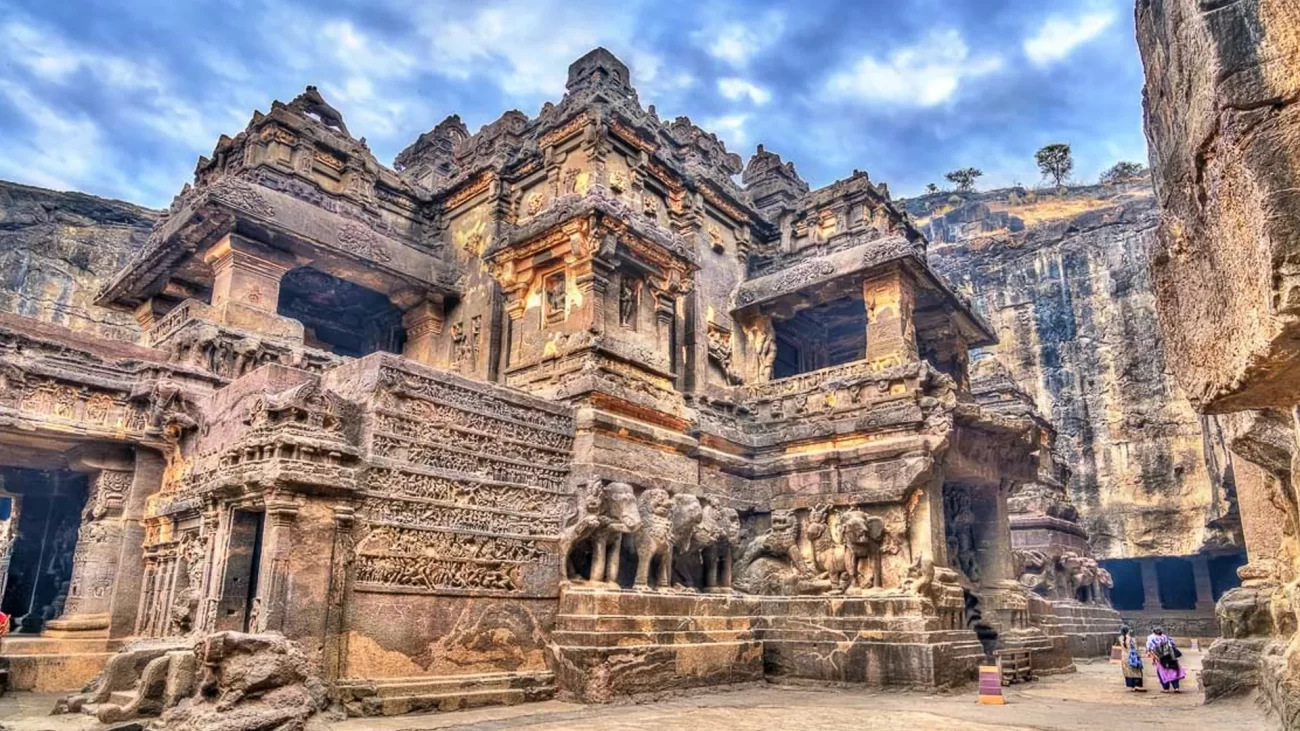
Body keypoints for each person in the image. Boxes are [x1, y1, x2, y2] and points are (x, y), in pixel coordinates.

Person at [1146, 625, 1186, 692]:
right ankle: (1176, 687)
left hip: (1160, 658)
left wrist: (1154, 658)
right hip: (1170, 657)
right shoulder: (1166, 637)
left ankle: (1166, 688)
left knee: (1162, 673)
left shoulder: (1151, 638)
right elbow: (1173, 645)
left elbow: (1150, 650)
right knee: (1173, 671)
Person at [1118, 625, 1146, 692]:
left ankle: (1132, 686)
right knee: (1135, 671)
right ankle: (1137, 685)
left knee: (1128, 671)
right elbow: (1135, 649)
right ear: (1128, 631)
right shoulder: (1131, 639)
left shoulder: (1120, 638)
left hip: (1124, 657)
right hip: (1132, 657)